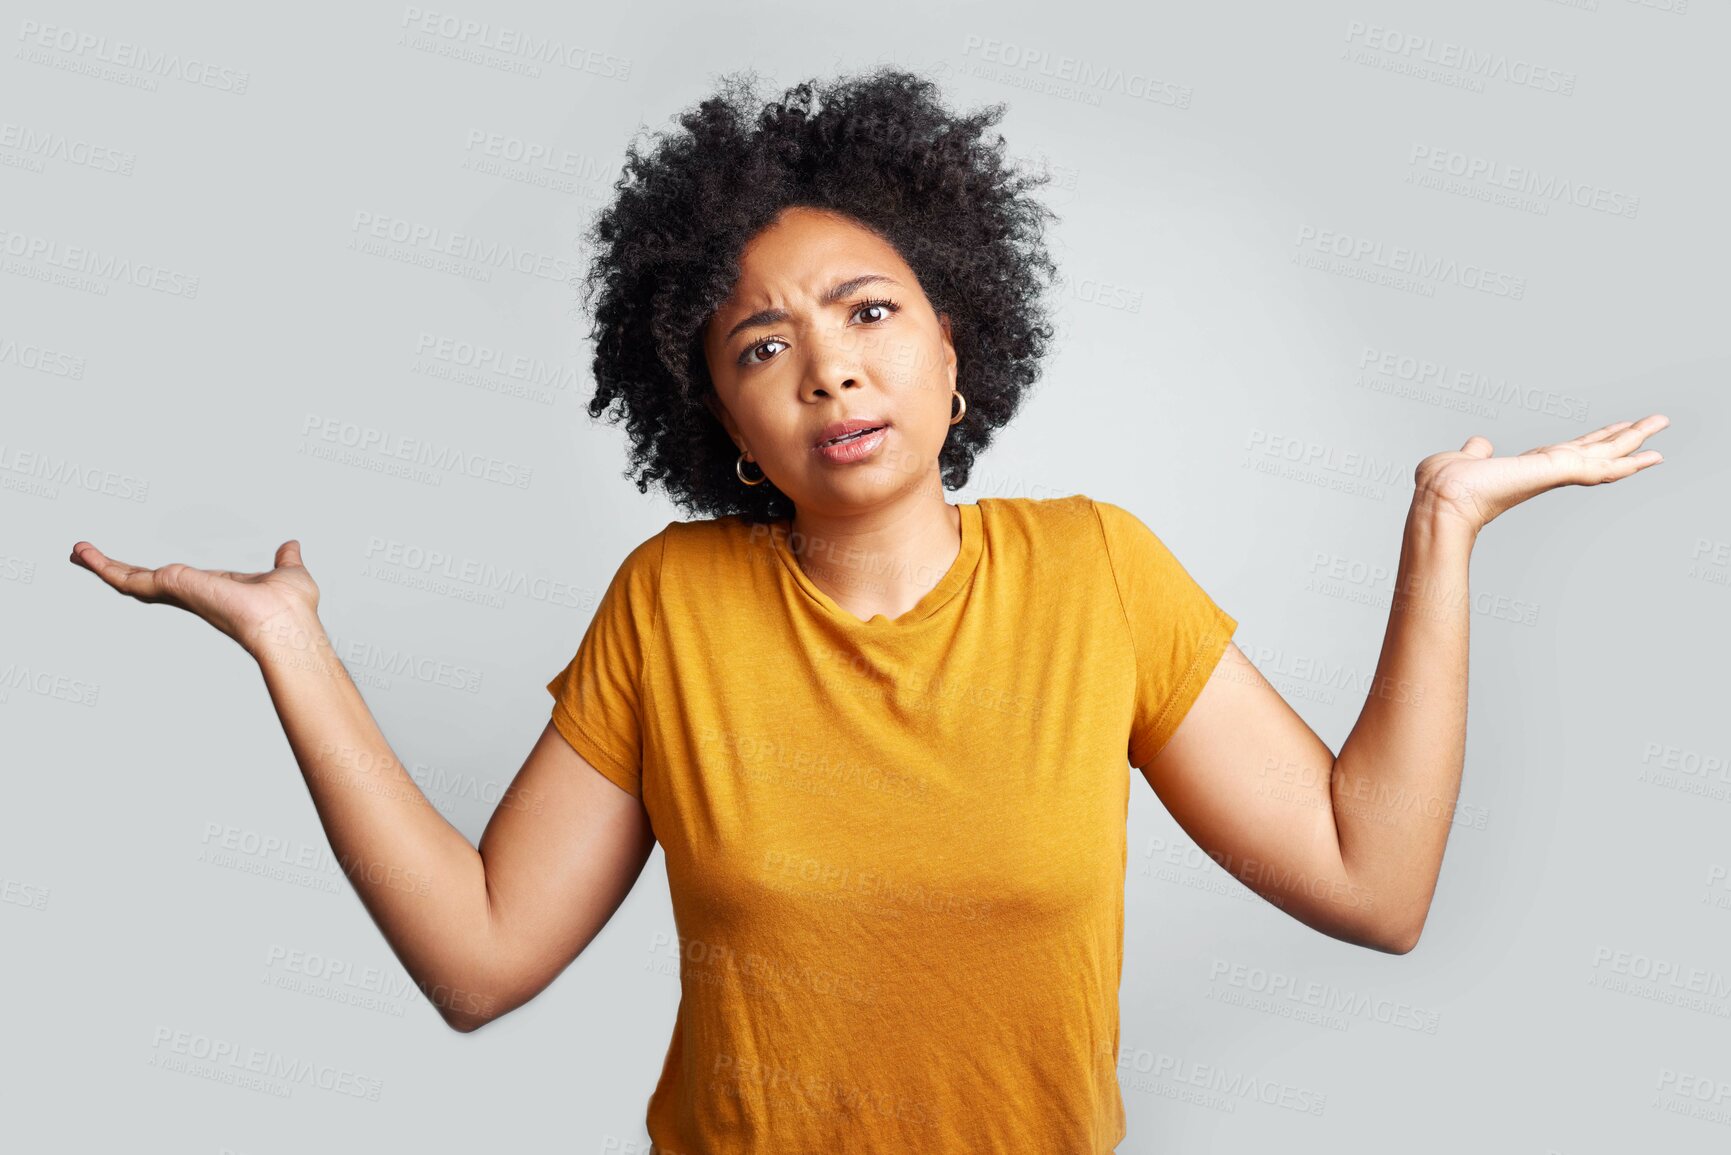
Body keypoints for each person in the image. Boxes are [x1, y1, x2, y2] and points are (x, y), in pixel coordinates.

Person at [69, 67, 1670, 1154]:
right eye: (761, 345)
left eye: (868, 311)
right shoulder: (673, 609)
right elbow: (483, 961)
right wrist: (294, 650)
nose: (828, 364)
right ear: (718, 424)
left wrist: (1441, 531)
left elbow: (1372, 882)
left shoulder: (1098, 573)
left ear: (956, 347)